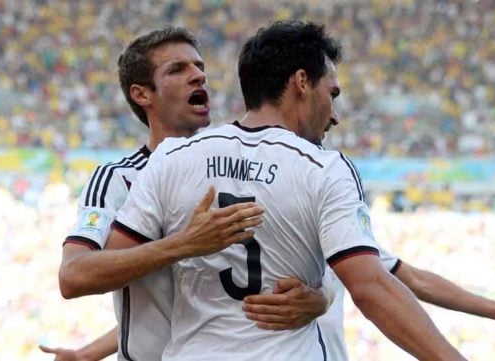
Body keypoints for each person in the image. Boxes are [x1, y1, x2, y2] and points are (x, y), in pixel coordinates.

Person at [106, 20, 467, 360]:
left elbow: (103, 267)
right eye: (332, 93)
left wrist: (323, 295)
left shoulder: (173, 157)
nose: (334, 114)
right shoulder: (324, 168)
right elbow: (370, 287)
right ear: (301, 82)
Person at [41, 26, 331, 361]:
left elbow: (208, 299)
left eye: (200, 68)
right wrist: (183, 244)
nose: (198, 76)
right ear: (142, 94)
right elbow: (74, 276)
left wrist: (321, 299)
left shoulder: (237, 167)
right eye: (178, 70)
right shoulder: (118, 179)